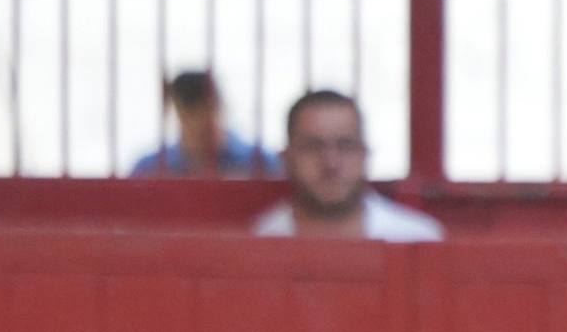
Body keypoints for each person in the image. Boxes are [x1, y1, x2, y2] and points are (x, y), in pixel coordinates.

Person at [251, 90, 443, 242]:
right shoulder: (262, 239)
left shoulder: (415, 239)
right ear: (286, 158)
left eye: (345, 146)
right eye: (313, 147)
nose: (331, 163)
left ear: (365, 154)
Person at [130, 71, 281, 178]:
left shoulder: (260, 163)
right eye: (191, 113)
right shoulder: (149, 169)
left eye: (209, 110)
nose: (200, 123)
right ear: (177, 113)